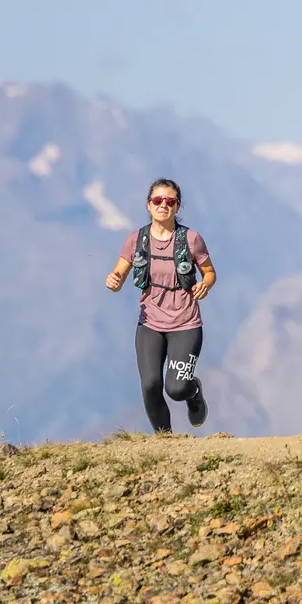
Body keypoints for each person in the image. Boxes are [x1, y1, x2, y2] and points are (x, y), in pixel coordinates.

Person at [105, 179, 216, 432]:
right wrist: (115, 280)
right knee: (150, 385)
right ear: (148, 205)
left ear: (177, 207)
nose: (163, 205)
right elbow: (119, 273)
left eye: (170, 201)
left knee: (175, 389)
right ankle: (165, 441)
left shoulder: (191, 239)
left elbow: (209, 272)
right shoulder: (136, 240)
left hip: (185, 324)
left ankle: (193, 391)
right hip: (150, 324)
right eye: (158, 200)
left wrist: (205, 285)